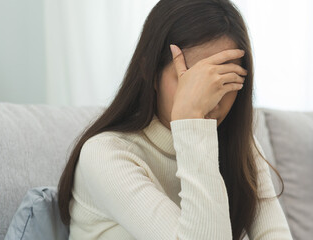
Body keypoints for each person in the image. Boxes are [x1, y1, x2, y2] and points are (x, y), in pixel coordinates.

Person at [56, 0, 292, 239]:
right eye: (192, 80)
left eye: (224, 81)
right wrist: (192, 122)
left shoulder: (240, 146)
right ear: (150, 72)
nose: (212, 99)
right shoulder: (105, 154)